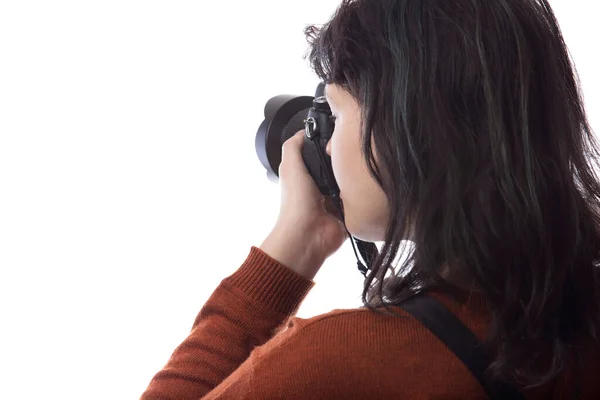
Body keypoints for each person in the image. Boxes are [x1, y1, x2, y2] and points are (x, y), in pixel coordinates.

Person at [140, 0, 600, 398]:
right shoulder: (579, 322)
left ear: (407, 133)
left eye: (336, 113)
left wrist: (290, 250)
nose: (322, 143)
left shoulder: (337, 363)